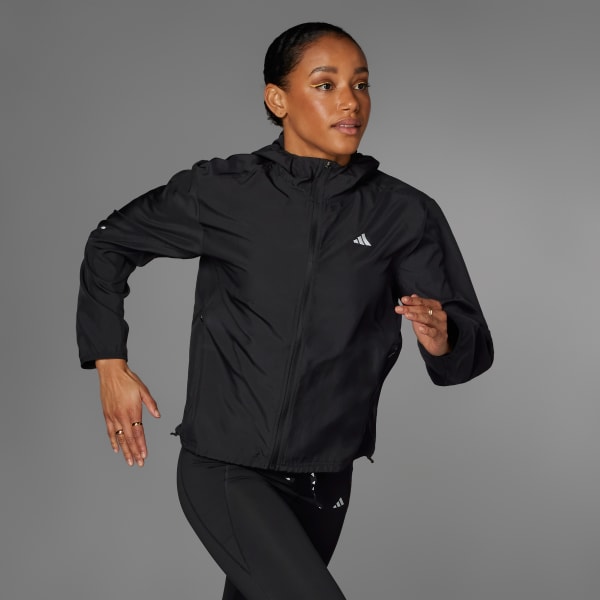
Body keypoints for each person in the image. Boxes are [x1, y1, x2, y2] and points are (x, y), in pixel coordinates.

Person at [77, 22, 493, 600]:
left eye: (361, 84)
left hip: (326, 478)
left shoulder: (404, 213)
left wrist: (444, 337)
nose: (350, 101)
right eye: (326, 85)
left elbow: (468, 345)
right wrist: (109, 361)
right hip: (226, 466)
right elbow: (109, 244)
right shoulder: (224, 191)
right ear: (278, 99)